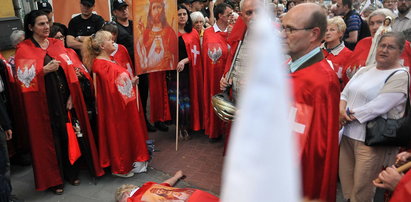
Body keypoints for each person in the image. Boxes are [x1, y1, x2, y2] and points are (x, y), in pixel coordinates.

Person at [15, 10, 104, 194]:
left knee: (68, 134)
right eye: (41, 24)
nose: (46, 26)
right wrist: (43, 71)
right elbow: (22, 80)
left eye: (47, 22)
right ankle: (55, 179)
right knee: (51, 139)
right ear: (31, 27)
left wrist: (73, 95)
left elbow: (71, 71)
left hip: (64, 99)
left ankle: (72, 173)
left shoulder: (56, 44)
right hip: (43, 103)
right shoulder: (24, 48)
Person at [339, 32, 409, 202]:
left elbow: (378, 106)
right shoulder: (364, 69)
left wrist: (346, 115)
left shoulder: (401, 75)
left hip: (370, 142)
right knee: (347, 189)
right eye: (382, 45)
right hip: (347, 135)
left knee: (362, 191)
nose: (384, 50)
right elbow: (345, 93)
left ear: (400, 51)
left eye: (391, 47)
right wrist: (341, 111)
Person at [282, 3, 340, 201]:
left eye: (290, 29)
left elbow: (317, 150)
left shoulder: (322, 82)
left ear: (314, 34)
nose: (282, 34)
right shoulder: (287, 66)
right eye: (283, 27)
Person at [82, 30, 149, 178]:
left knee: (126, 134)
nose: (113, 42)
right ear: (101, 46)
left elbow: (117, 83)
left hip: (124, 105)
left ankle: (130, 161)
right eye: (109, 40)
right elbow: (110, 90)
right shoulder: (101, 65)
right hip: (116, 109)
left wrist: (130, 82)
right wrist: (129, 83)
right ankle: (121, 166)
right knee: (119, 136)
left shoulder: (111, 60)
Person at [112, 0, 156, 132]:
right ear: (114, 12)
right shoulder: (113, 28)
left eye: (125, 8)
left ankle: (144, 121)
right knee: (128, 96)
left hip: (141, 65)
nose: (124, 10)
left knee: (143, 93)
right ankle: (132, 123)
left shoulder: (135, 23)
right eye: (120, 9)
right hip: (125, 68)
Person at [135, 0, 178, 132]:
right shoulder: (146, 32)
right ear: (150, 11)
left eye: (159, 8)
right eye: (154, 8)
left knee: (167, 92)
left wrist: (170, 56)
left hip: (167, 68)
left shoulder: (169, 30)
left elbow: (173, 48)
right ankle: (157, 119)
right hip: (152, 70)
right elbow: (140, 48)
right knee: (155, 94)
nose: (157, 11)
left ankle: (167, 117)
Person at [343, 9, 411, 85]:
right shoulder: (363, 43)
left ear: (390, 23)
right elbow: (348, 70)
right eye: (371, 24)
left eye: (380, 22)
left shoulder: (403, 45)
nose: (375, 27)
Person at [202, 3, 232, 142]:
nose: (231, 17)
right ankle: (215, 130)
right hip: (213, 75)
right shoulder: (208, 33)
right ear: (220, 16)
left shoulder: (234, 31)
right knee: (215, 100)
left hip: (230, 75)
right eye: (229, 14)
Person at [115, 170, 219, 202]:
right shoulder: (149, 185)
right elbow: (167, 183)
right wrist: (177, 176)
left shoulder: (132, 199)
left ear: (126, 193)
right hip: (195, 194)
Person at [321, 16, 353, 85]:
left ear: (340, 33)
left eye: (332, 30)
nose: (328, 33)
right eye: (326, 30)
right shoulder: (315, 50)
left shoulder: (349, 55)